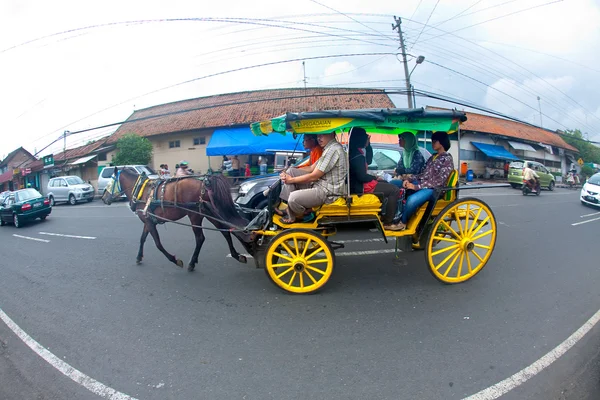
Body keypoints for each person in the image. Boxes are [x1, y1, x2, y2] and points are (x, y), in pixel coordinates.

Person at [277, 132, 348, 224]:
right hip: (319, 184)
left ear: (332, 134)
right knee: (291, 171)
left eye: (322, 134)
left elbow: (314, 176)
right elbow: (311, 168)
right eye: (318, 135)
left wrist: (291, 179)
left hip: (327, 192)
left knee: (293, 198)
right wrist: (289, 171)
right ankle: (291, 210)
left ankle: (298, 213)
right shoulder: (328, 149)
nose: (319, 138)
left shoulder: (334, 150)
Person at [395, 131, 455, 231]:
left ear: (441, 142)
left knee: (411, 201)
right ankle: (395, 215)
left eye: (434, 141)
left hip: (434, 190)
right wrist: (408, 179)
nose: (432, 143)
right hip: (423, 184)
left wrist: (416, 187)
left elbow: (438, 181)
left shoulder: (447, 159)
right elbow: (422, 174)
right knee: (395, 184)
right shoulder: (433, 157)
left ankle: (403, 222)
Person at [348, 127, 402, 230]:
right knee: (394, 190)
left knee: (386, 183)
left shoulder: (355, 152)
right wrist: (374, 178)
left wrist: (368, 145)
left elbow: (368, 160)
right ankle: (388, 222)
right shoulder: (357, 156)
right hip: (360, 187)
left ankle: (383, 214)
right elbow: (362, 176)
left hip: (359, 184)